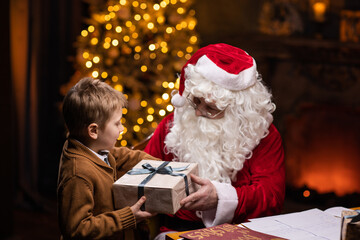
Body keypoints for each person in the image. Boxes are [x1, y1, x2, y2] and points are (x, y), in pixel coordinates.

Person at [144, 43, 285, 237]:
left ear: (238, 111)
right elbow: (143, 174)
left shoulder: (262, 133)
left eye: (211, 108)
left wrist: (221, 197)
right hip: (177, 232)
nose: (198, 112)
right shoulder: (173, 124)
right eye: (195, 100)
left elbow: (271, 196)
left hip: (241, 233)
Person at [57, 77, 159, 240]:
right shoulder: (78, 174)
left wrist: (164, 166)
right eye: (117, 123)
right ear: (93, 131)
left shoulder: (95, 149)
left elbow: (125, 156)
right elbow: (77, 229)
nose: (122, 128)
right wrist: (127, 216)